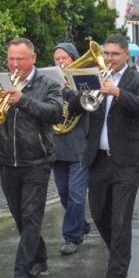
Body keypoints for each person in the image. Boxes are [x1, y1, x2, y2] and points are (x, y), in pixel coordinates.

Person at [0, 38, 63, 278]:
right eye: (11, 59)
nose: (14, 64)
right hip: (6, 160)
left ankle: (21, 273)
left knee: (31, 215)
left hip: (37, 161)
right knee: (20, 216)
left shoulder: (48, 84)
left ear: (32, 59)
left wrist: (22, 99)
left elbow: (55, 113)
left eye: (19, 60)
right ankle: (40, 258)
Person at [81, 35, 139, 278]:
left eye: (114, 54)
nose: (109, 58)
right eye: (106, 53)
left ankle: (117, 276)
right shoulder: (96, 77)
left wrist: (119, 93)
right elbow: (78, 107)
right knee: (99, 213)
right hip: (98, 158)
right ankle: (119, 252)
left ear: (126, 55)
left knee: (121, 218)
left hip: (127, 160)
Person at [49, 41, 91, 258]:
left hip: (79, 146)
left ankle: (72, 237)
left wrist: (66, 91)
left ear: (74, 59)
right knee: (64, 194)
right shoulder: (49, 82)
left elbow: (86, 105)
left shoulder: (83, 81)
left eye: (64, 58)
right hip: (58, 146)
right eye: (57, 59)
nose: (60, 62)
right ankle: (81, 224)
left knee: (76, 195)